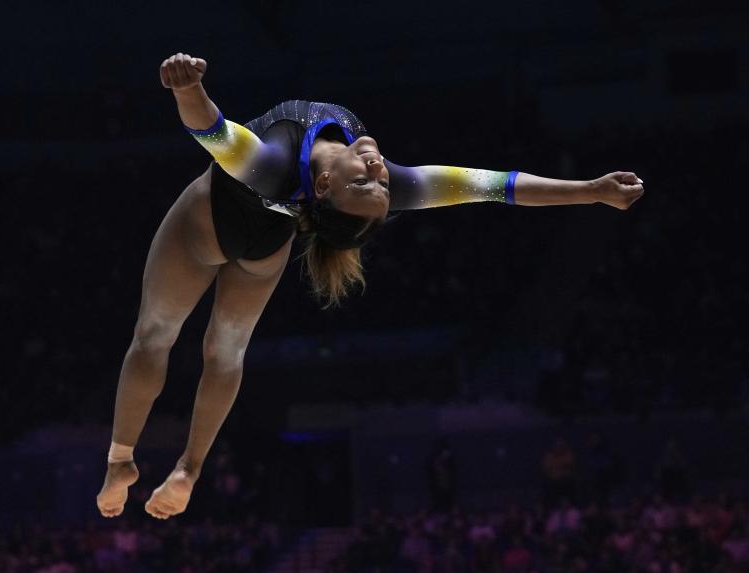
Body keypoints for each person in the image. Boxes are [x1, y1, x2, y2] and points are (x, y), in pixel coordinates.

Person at [96, 53, 646, 520]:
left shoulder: (271, 166)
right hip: (265, 251)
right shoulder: (385, 179)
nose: (379, 169)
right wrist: (587, 190)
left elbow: (212, 131)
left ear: (327, 185)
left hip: (203, 229)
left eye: (367, 180)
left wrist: (187, 88)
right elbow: (494, 187)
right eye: (379, 182)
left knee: (156, 336)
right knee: (225, 351)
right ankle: (179, 469)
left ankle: (132, 461)